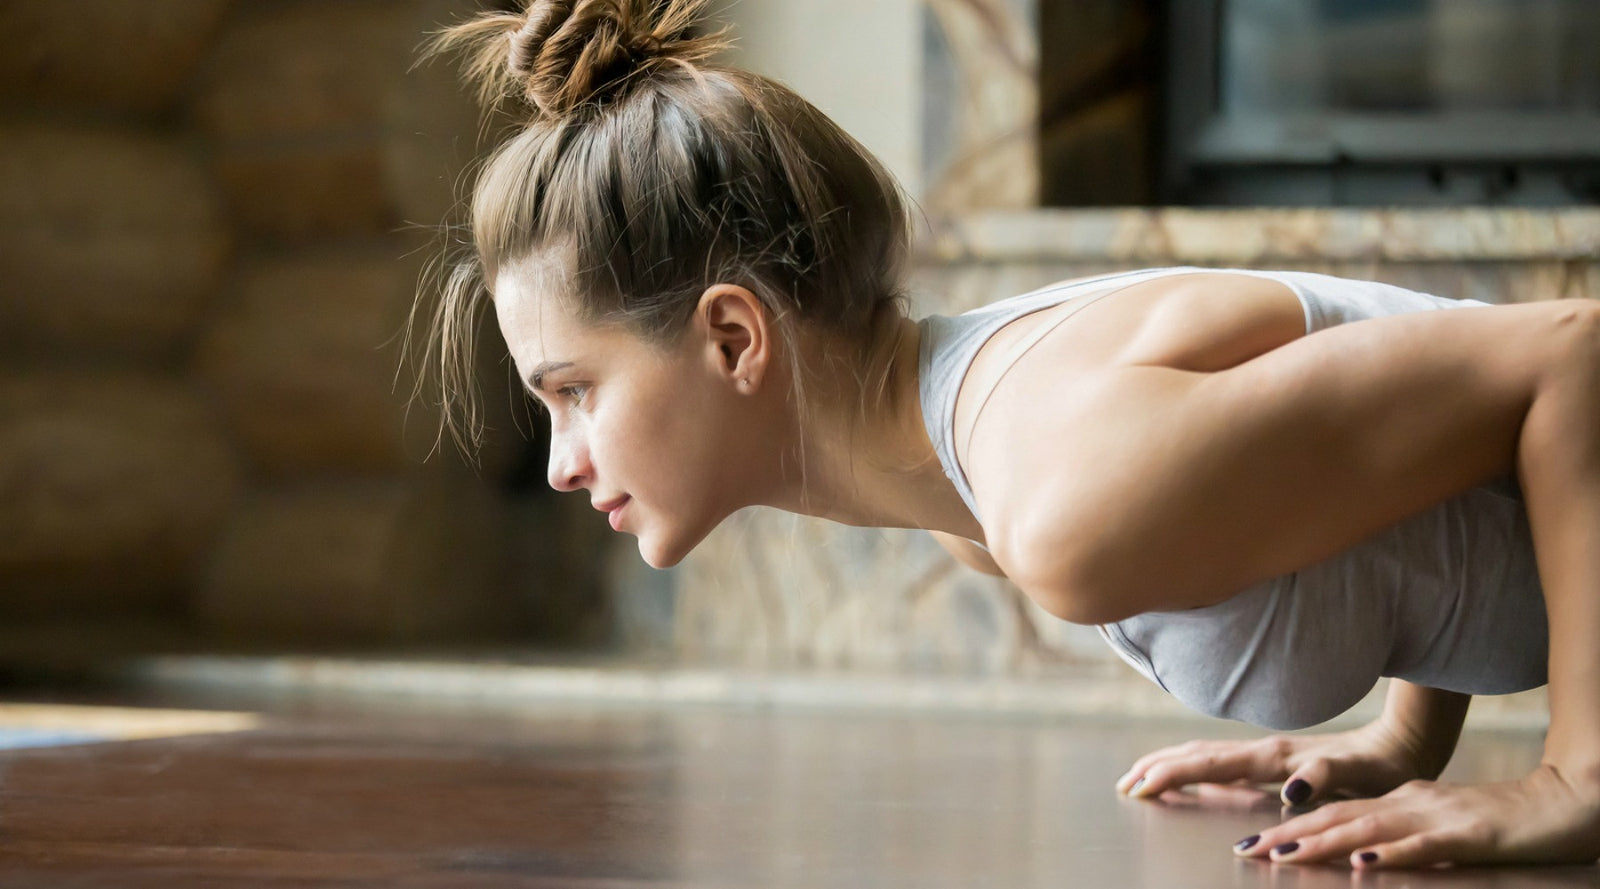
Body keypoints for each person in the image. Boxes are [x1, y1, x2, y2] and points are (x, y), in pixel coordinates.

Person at [410, 0, 1600, 870]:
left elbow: (1563, 357)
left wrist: (1572, 778)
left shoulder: (1062, 484)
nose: (561, 459)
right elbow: (1410, 456)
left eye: (573, 389)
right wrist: (1403, 737)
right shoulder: (978, 492)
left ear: (732, 338)